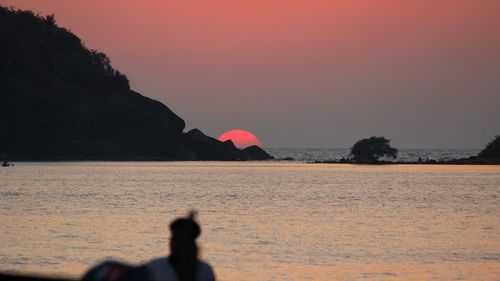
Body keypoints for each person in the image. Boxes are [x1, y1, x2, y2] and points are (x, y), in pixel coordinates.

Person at [145, 211, 216, 281]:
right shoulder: (155, 268)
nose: (176, 245)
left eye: (182, 241)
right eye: (174, 239)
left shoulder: (204, 271)